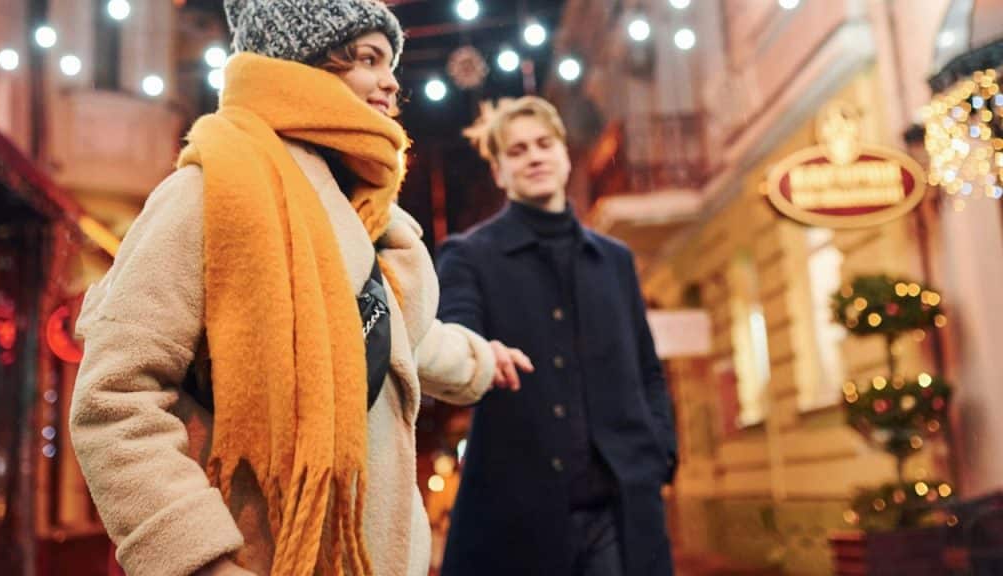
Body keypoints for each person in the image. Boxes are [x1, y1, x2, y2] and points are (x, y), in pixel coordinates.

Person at [68, 2, 529, 575]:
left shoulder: (365, 215)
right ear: (300, 65)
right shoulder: (212, 193)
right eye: (367, 58)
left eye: (391, 63)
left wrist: (482, 360)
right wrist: (199, 560)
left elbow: (393, 339)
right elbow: (114, 397)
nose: (390, 79)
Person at [437, 96, 679, 576]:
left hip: (620, 509)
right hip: (517, 519)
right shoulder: (467, 257)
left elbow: (649, 371)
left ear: (566, 156)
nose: (534, 157)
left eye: (545, 144)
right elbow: (454, 332)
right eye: (517, 150)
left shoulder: (615, 260)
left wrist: (659, 456)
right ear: (500, 172)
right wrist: (477, 351)